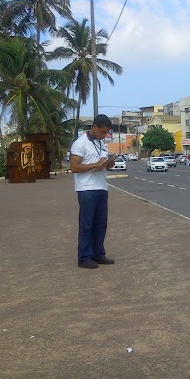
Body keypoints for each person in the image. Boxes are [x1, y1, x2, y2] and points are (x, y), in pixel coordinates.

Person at [69, 114, 117, 269]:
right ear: (94, 127)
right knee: (87, 224)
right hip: (86, 188)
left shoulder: (102, 143)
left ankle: (98, 253)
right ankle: (84, 257)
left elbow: (102, 163)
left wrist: (109, 163)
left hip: (101, 187)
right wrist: (94, 165)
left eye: (106, 133)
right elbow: (74, 167)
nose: (104, 135)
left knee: (101, 223)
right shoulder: (80, 143)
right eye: (103, 132)